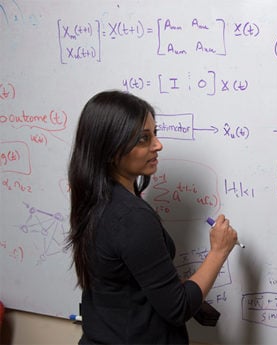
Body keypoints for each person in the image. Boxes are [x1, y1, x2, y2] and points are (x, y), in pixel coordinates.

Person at [66, 90, 238, 344]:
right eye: (143, 139)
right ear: (111, 148)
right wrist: (219, 251)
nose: (158, 145)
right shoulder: (131, 217)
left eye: (155, 134)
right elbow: (178, 308)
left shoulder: (94, 198)